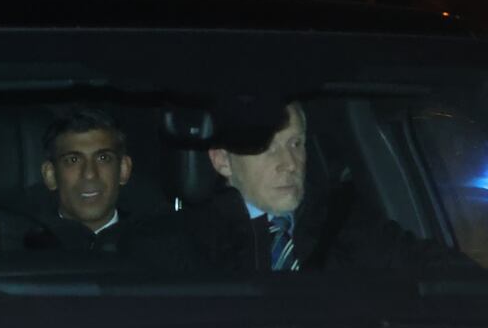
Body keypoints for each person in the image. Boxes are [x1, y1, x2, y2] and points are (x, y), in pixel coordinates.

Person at [192, 100, 477, 272]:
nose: (290, 163)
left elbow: (440, 274)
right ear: (222, 161)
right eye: (268, 148)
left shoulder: (345, 225)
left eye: (296, 143)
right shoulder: (186, 245)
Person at [36, 108, 133, 251]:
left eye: (103, 158)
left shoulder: (156, 244)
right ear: (50, 175)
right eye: (73, 160)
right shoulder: (24, 249)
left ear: (124, 169)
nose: (89, 174)